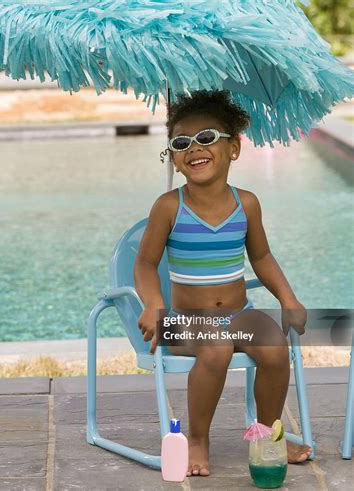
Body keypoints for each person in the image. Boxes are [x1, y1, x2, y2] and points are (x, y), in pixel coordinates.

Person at [133, 90, 312, 477]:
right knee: (216, 347)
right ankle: (198, 438)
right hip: (182, 322)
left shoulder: (246, 204)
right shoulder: (169, 207)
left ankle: (267, 436)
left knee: (275, 348)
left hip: (238, 314)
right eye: (182, 142)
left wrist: (288, 298)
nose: (194, 148)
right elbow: (146, 264)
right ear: (175, 159)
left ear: (234, 148)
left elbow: (261, 258)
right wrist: (151, 304)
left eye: (207, 137)